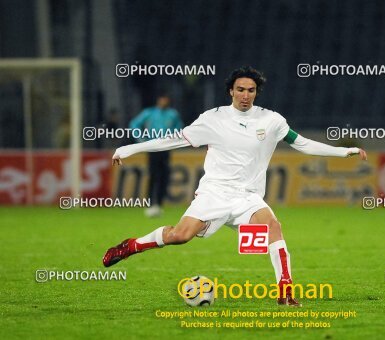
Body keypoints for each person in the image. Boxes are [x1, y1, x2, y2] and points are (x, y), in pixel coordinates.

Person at [103, 66, 367, 306]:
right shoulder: (212, 119)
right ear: (231, 91)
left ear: (256, 93)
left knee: (273, 226)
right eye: (240, 89)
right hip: (214, 193)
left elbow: (303, 143)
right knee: (179, 236)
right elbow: (173, 140)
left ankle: (285, 291)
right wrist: (129, 149)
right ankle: (131, 246)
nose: (245, 95)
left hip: (248, 198)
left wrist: (343, 153)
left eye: (251, 90)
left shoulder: (272, 121)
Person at [129, 94, 183, 217]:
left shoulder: (172, 114)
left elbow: (179, 128)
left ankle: (159, 204)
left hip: (165, 148)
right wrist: (141, 140)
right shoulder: (150, 113)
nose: (164, 101)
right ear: (158, 100)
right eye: (162, 98)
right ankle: (150, 204)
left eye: (166, 98)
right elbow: (134, 124)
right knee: (153, 175)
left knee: (164, 176)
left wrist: (173, 140)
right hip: (153, 148)